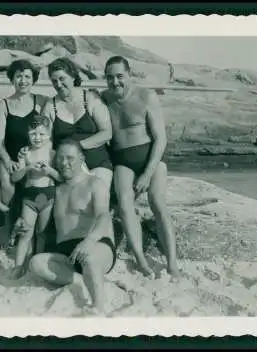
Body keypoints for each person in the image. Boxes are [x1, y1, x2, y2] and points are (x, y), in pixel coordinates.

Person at [101, 55, 179, 279]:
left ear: (129, 74)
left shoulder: (146, 96)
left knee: (157, 202)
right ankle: (141, 260)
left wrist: (146, 174)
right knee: (125, 203)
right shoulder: (104, 98)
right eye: (109, 78)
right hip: (123, 162)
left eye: (119, 76)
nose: (115, 82)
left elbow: (160, 139)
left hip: (151, 160)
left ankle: (172, 262)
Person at [29, 139, 117, 314]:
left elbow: (103, 215)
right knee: (36, 263)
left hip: (96, 245)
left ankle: (98, 308)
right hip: (66, 253)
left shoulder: (95, 183)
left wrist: (89, 240)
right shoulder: (57, 189)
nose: (63, 163)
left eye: (70, 158)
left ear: (82, 159)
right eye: (60, 158)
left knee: (89, 259)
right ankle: (85, 280)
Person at [0, 59, 49, 242]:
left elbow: (47, 133)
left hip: (32, 154)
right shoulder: (3, 106)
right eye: (18, 76)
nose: (23, 80)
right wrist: (8, 160)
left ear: (33, 79)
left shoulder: (41, 102)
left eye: (27, 76)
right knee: (7, 184)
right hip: (9, 154)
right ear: (12, 79)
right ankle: (5, 224)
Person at [43, 57, 114, 190]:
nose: (58, 84)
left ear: (73, 76)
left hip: (97, 162)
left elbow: (107, 133)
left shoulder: (91, 98)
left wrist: (76, 147)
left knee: (99, 194)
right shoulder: (50, 106)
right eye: (54, 81)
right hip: (66, 166)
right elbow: (46, 140)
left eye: (62, 79)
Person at [10, 115, 61, 277]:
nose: (37, 138)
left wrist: (50, 171)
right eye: (33, 134)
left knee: (42, 233)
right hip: (29, 198)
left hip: (49, 196)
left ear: (49, 134)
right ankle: (18, 267)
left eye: (42, 134)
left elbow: (61, 178)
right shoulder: (26, 154)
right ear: (28, 134)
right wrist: (27, 168)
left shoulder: (53, 154)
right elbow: (14, 178)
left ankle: (36, 264)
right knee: (25, 233)